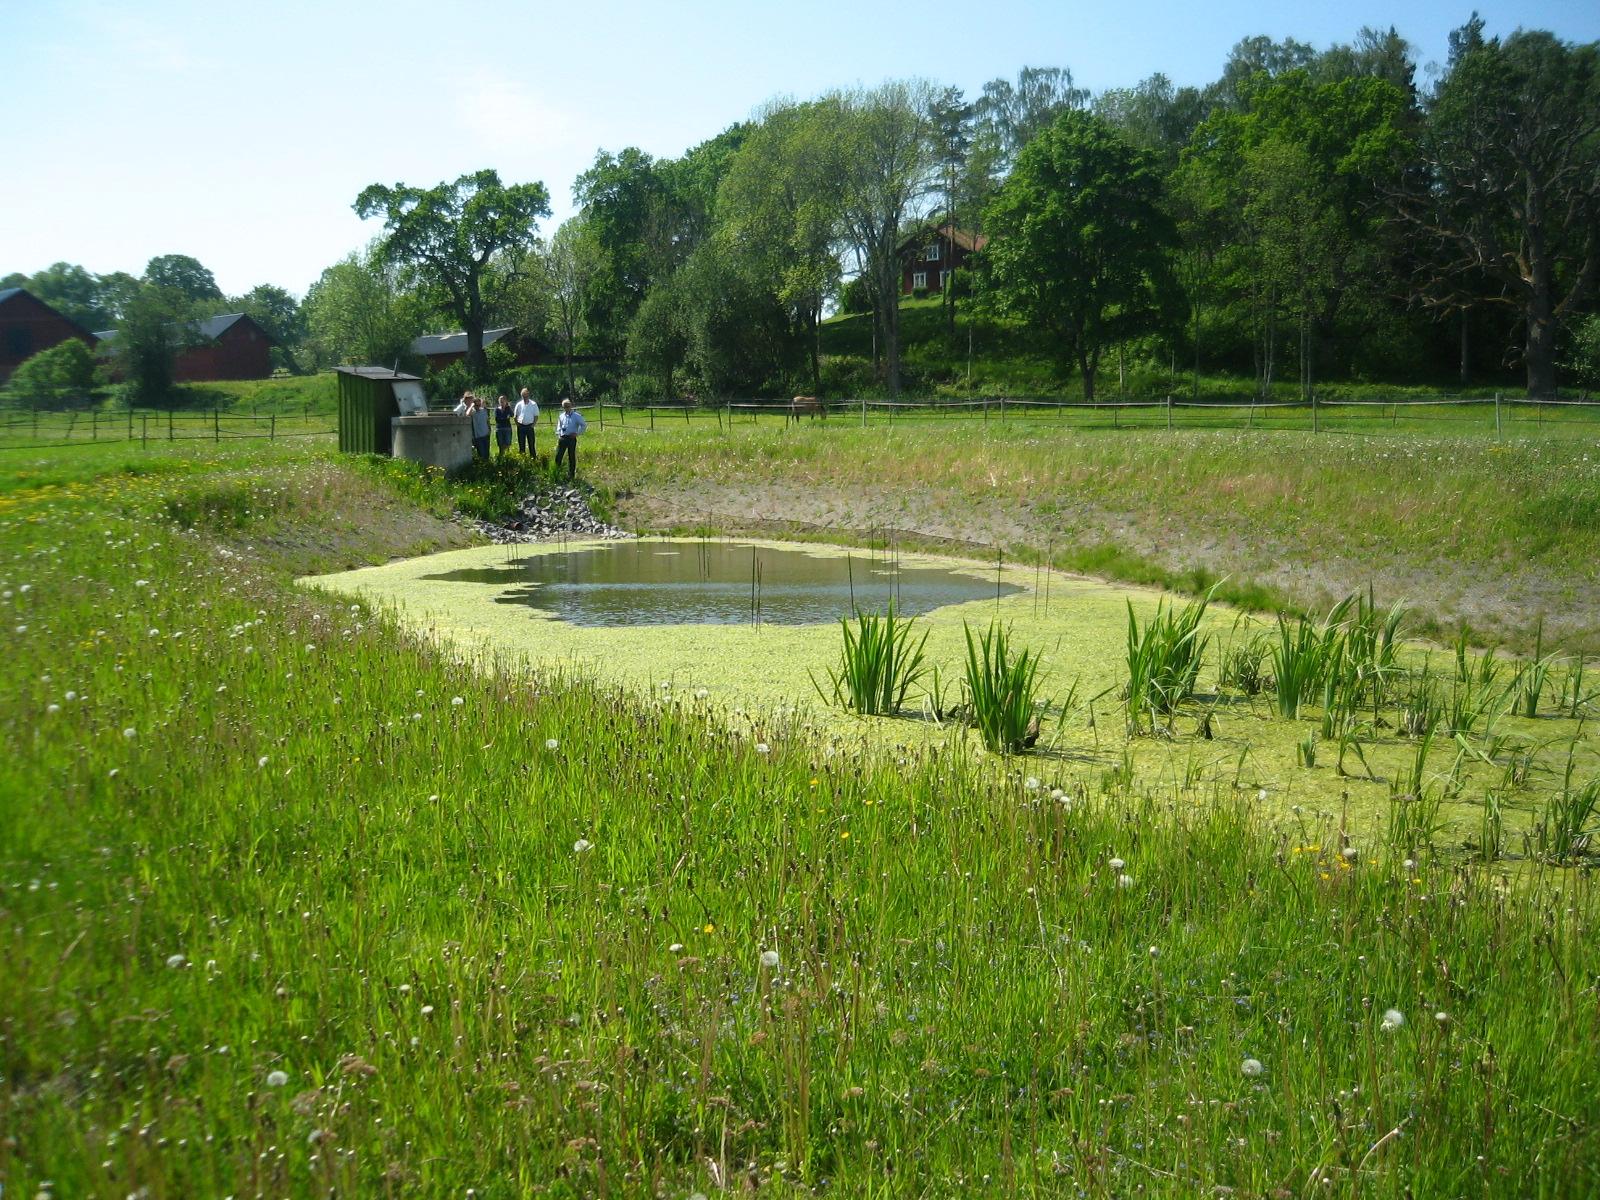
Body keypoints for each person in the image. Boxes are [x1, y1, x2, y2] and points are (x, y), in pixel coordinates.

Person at [554, 398, 586, 480]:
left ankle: (571, 475)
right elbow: (559, 427)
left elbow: (583, 425)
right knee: (558, 456)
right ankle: (557, 473)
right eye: (565, 407)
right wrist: (559, 435)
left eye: (568, 406)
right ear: (563, 407)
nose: (566, 408)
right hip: (563, 438)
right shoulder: (561, 416)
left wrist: (577, 433)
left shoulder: (576, 416)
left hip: (571, 438)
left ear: (571, 406)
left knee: (571, 456)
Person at [513, 387, 540, 456]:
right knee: (521, 444)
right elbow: (515, 416)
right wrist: (518, 425)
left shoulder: (533, 404)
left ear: (528, 394)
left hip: (530, 426)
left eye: (526, 394)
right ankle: (523, 460)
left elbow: (536, 416)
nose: (525, 396)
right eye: (523, 395)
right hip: (521, 427)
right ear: (521, 395)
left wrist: (533, 425)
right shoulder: (519, 404)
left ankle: (533, 459)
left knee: (531, 444)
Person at [469, 394, 491, 460]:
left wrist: (489, 429)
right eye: (476, 405)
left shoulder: (484, 411)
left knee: (487, 454)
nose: (478, 406)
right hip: (478, 436)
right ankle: (482, 466)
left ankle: (487, 466)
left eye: (479, 404)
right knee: (481, 454)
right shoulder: (473, 412)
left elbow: (487, 421)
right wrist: (471, 406)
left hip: (486, 434)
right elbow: (467, 414)